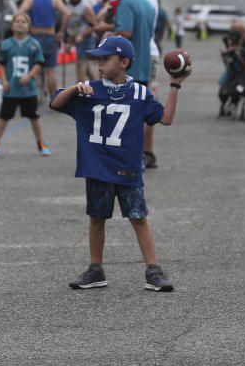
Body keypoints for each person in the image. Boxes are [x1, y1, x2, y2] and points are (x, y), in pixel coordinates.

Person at [50, 35, 191, 292]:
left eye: (106, 59)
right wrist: (74, 87)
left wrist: (175, 85)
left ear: (124, 62)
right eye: (98, 59)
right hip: (97, 168)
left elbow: (166, 119)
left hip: (127, 167)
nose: (100, 64)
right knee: (96, 218)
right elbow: (55, 103)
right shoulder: (90, 89)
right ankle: (96, 269)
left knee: (138, 217)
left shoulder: (139, 92)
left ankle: (153, 269)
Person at [95, 0, 159, 169]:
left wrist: (108, 35)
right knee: (138, 115)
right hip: (144, 64)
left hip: (124, 68)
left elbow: (125, 33)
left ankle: (124, 157)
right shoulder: (148, 4)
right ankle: (139, 156)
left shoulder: (127, 4)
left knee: (119, 114)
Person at [0, 12, 50, 157]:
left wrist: (29, 75)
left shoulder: (33, 44)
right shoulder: (6, 44)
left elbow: (39, 63)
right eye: (17, 21)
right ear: (12, 25)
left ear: (29, 27)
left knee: (34, 117)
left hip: (28, 89)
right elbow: (2, 64)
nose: (20, 24)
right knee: (3, 117)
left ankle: (41, 142)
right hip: (12, 88)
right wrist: (4, 80)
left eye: (23, 22)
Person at [17, 0, 71, 99]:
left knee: (34, 70)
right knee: (50, 71)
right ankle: (53, 98)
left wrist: (25, 28)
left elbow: (19, 13)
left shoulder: (30, 0)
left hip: (34, 37)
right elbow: (67, 14)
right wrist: (62, 31)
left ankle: (34, 97)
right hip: (50, 37)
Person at [66, 0, 98, 84]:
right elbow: (74, 26)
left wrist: (82, 35)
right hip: (79, 41)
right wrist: (69, 43)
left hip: (86, 41)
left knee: (80, 67)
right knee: (87, 69)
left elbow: (94, 26)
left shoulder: (85, 7)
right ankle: (101, 88)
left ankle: (79, 92)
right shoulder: (71, 6)